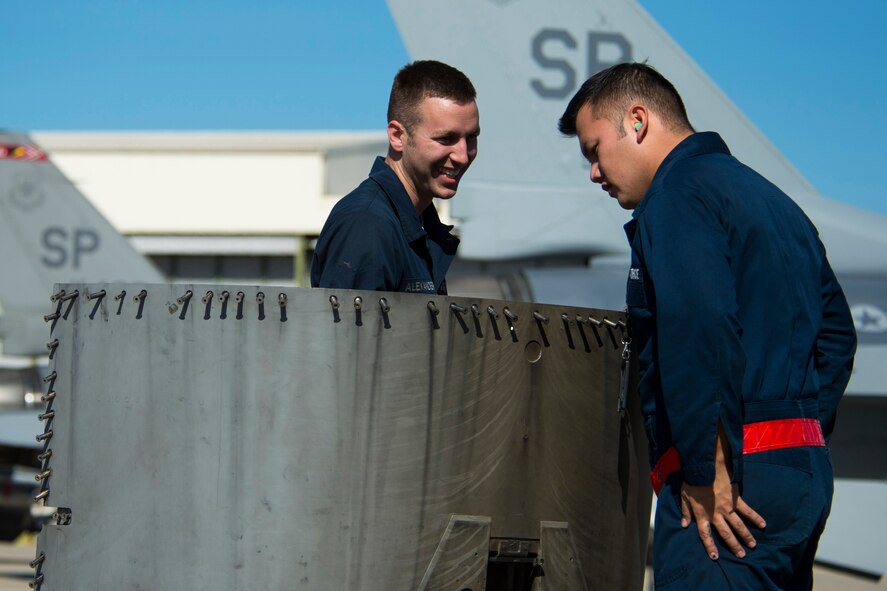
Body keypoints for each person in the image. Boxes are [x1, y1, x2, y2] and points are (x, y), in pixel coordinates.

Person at [558, 63, 856, 589]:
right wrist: (794, 441)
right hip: (799, 480)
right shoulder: (776, 203)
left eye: (594, 149)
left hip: (726, 491)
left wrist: (707, 466)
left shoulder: (677, 197)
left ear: (638, 120)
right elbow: (835, 335)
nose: (594, 172)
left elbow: (699, 325)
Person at [310, 60, 480, 293]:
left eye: (471, 137)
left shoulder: (420, 225)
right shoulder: (367, 225)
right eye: (445, 139)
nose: (462, 155)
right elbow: (346, 329)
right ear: (398, 136)